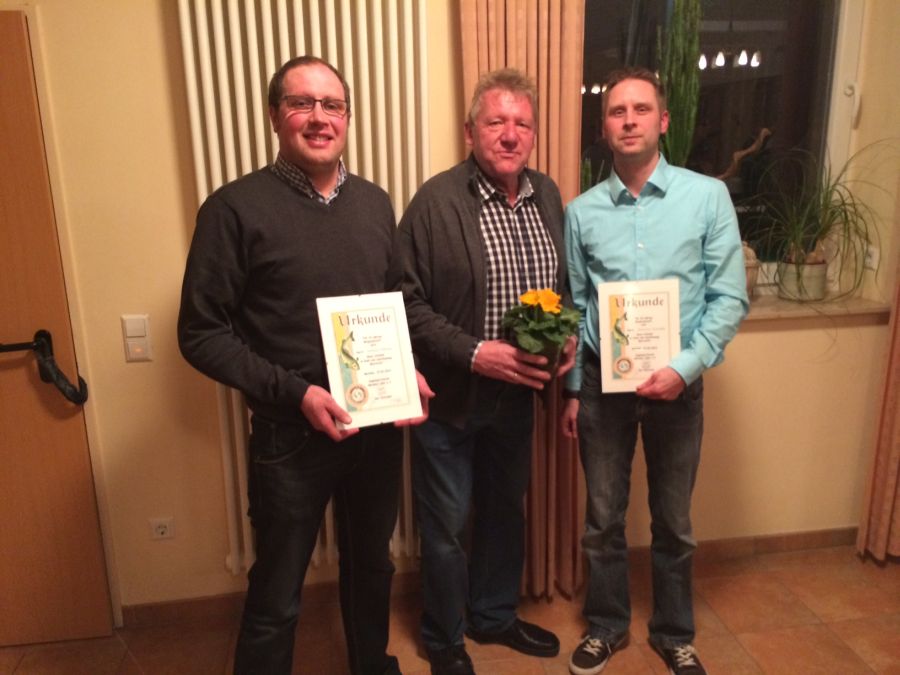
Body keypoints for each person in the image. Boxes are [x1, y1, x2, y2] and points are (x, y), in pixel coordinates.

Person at [178, 55, 432, 675]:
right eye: (302, 103)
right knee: (277, 589)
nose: (320, 117)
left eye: (332, 105)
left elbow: (393, 300)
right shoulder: (233, 209)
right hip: (289, 436)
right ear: (275, 116)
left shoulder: (375, 203)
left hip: (374, 427)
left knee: (371, 566)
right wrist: (297, 393)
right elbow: (200, 333)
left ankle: (371, 664)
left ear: (347, 117)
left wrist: (406, 368)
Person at [561, 67, 748, 675]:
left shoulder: (707, 197)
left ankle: (673, 633)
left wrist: (684, 369)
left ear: (663, 121)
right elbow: (576, 307)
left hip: (677, 388)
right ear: (604, 128)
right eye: (617, 112)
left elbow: (729, 298)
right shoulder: (581, 212)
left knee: (674, 521)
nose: (629, 120)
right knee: (602, 519)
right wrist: (572, 391)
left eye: (641, 109)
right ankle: (607, 625)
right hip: (602, 387)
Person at [394, 68, 576, 675]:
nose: (510, 134)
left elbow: (559, 285)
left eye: (522, 123)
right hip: (450, 400)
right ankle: (445, 638)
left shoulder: (547, 195)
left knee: (504, 512)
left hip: (518, 399)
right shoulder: (435, 201)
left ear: (534, 135)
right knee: (446, 526)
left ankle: (494, 615)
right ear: (470, 131)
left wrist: (565, 334)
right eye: (496, 122)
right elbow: (406, 303)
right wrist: (476, 353)